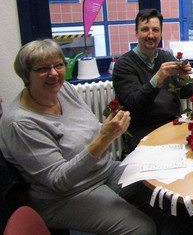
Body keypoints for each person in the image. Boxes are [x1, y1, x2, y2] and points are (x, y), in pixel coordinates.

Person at [0, 39, 157, 234]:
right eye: (42, 69)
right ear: (26, 75)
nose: (53, 74)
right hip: (67, 195)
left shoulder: (63, 89)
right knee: (142, 229)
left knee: (160, 186)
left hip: (103, 171)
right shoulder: (21, 122)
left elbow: (90, 128)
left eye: (58, 65)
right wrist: (104, 138)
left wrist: (111, 128)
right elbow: (59, 180)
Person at [113, 8, 193, 151]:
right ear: (136, 32)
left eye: (155, 30)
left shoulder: (167, 57)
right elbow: (135, 104)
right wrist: (158, 78)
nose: (150, 35)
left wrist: (184, 77)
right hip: (143, 130)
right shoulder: (123, 65)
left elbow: (186, 94)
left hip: (172, 124)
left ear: (161, 33)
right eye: (145, 29)